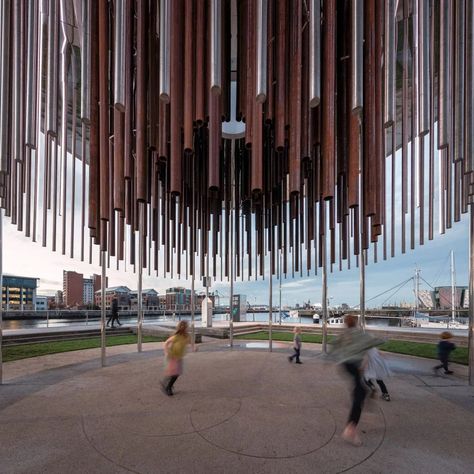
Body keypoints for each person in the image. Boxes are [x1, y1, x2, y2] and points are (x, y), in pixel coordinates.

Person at [329, 314, 382, 447]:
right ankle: (350, 429)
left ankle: (351, 425)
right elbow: (375, 341)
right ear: (356, 323)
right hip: (354, 365)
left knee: (360, 389)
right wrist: (385, 338)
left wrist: (332, 356)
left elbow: (334, 344)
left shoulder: (344, 334)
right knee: (361, 393)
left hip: (346, 365)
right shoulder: (360, 334)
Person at [161, 321, 191, 396]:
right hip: (173, 356)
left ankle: (165, 383)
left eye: (186, 326)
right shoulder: (176, 336)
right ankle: (168, 388)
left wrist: (193, 348)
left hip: (179, 356)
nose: (186, 328)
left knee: (175, 372)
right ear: (181, 328)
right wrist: (167, 352)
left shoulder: (186, 336)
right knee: (175, 373)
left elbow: (187, 343)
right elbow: (166, 343)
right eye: (185, 327)